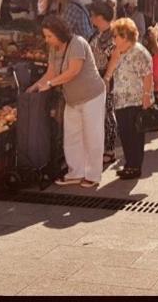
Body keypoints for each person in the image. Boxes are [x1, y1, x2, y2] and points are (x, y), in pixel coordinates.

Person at [28, 16, 107, 188]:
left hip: (91, 96)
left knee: (92, 136)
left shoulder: (77, 43)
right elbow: (50, 73)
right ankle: (75, 172)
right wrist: (32, 88)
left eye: (49, 36)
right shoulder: (54, 49)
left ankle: (93, 175)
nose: (46, 40)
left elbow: (73, 71)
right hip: (72, 99)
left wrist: (49, 85)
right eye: (45, 36)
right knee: (71, 137)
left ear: (59, 33)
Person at [104, 17, 153, 180]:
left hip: (135, 99)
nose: (113, 39)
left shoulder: (139, 52)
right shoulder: (118, 52)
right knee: (124, 133)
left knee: (134, 134)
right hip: (120, 99)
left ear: (125, 36)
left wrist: (146, 96)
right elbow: (109, 74)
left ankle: (135, 166)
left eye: (116, 36)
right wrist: (114, 59)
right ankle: (129, 164)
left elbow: (147, 75)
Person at [88, 0, 118, 167]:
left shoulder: (109, 35)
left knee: (107, 113)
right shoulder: (99, 33)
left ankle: (109, 150)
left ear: (99, 17)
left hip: (104, 76)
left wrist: (106, 77)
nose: (90, 18)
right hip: (97, 76)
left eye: (92, 15)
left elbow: (114, 56)